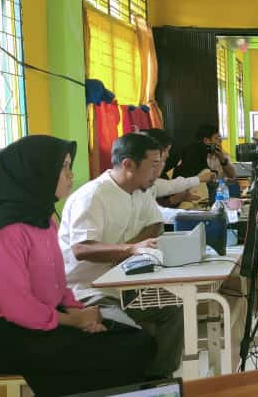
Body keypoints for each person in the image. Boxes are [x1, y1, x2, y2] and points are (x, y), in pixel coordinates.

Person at [0, 136, 156, 396]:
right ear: (36, 173)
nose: (70, 174)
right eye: (62, 167)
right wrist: (74, 320)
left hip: (42, 321)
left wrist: (80, 313)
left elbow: (57, 283)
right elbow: (19, 307)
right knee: (127, 352)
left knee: (137, 341)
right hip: (7, 337)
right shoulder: (6, 232)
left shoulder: (43, 220)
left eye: (68, 166)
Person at [59, 133, 183, 378]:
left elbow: (155, 223)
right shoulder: (93, 196)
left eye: (160, 164)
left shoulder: (141, 191)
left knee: (172, 307)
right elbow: (81, 249)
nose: (158, 171)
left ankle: (159, 380)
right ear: (128, 164)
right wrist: (130, 250)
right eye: (153, 165)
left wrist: (128, 247)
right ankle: (132, 384)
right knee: (129, 335)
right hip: (88, 292)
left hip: (124, 287)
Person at [141, 128, 216, 209]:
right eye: (166, 150)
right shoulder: (141, 181)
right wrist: (175, 199)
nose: (168, 155)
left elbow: (169, 186)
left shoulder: (160, 177)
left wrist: (178, 199)